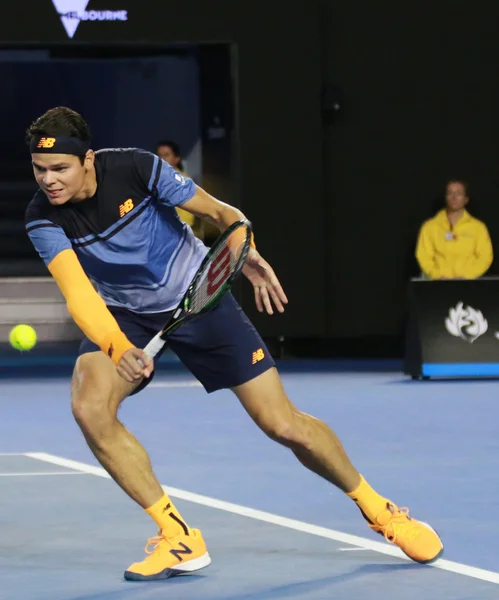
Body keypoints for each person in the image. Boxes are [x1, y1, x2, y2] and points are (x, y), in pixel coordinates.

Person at [25, 107, 443, 582]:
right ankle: (178, 536)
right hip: (127, 313)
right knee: (89, 406)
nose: (49, 181)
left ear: (89, 160)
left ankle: (380, 510)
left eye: (60, 168)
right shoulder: (42, 217)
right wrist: (117, 347)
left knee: (282, 424)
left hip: (198, 296)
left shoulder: (138, 168)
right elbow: (78, 294)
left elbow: (224, 214)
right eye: (40, 170)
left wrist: (244, 250)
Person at [416, 180, 493, 279]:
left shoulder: (478, 228)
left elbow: (485, 257)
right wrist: (437, 275)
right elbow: (423, 256)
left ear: (466, 199)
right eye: (450, 193)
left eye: (459, 193)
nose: (454, 197)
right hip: (438, 285)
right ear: (445, 197)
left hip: (469, 286)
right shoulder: (430, 226)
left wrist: (467, 276)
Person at [156, 140, 204, 240]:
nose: (161, 159)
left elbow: (188, 219)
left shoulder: (184, 182)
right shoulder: (152, 181)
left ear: (176, 159)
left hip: (178, 237)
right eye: (159, 155)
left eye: (166, 155)